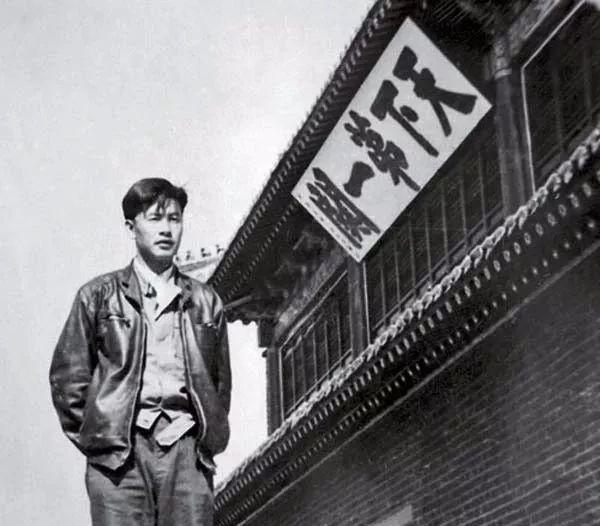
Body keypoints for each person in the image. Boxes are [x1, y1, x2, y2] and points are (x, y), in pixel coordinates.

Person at [49, 178, 231, 525]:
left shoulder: (206, 302)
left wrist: (202, 440)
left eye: (174, 219)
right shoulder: (97, 296)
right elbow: (68, 380)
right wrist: (101, 439)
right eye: (154, 218)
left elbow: (220, 384)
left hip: (187, 454)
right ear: (131, 227)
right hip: (119, 460)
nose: (166, 229)